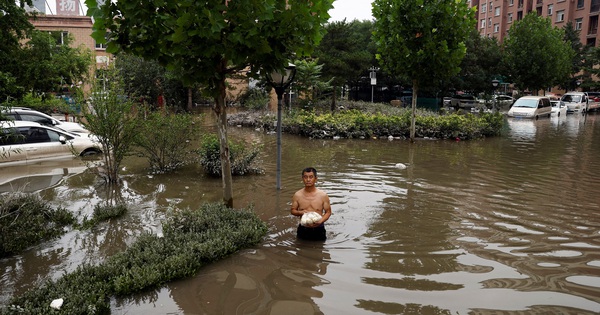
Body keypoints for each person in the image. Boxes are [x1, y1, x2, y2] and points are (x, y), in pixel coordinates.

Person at [290, 167, 332, 241]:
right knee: (300, 250)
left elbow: (328, 212)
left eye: (311, 177)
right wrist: (300, 212)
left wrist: (321, 221)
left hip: (319, 228)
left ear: (315, 179)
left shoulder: (323, 195)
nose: (308, 180)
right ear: (302, 178)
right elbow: (293, 210)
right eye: (305, 177)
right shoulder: (297, 195)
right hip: (303, 228)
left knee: (320, 250)